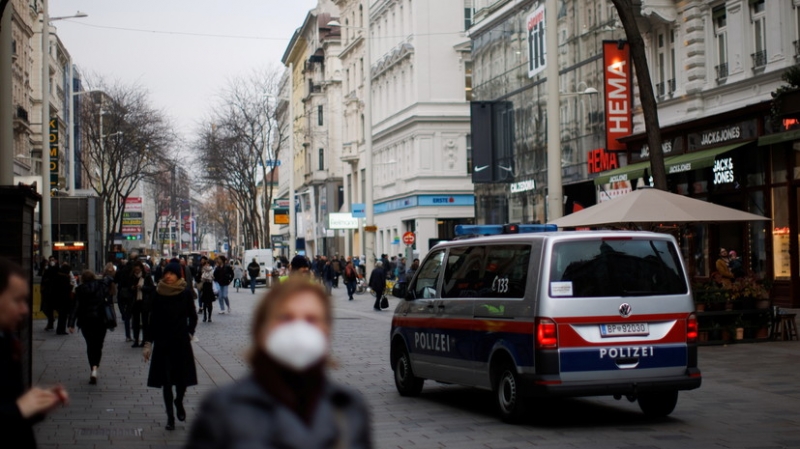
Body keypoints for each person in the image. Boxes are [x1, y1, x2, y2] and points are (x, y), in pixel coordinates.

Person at [184, 277, 372, 448]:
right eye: (285, 318)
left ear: (327, 330)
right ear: (262, 329)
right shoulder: (223, 408)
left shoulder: (347, 407)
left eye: (312, 319)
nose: (299, 329)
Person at [0, 257, 69, 448]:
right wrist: (20, 408)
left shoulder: (7, 341)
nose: (24, 310)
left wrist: (37, 405)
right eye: (17, 300)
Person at [142, 261, 198, 431]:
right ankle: (170, 418)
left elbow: (193, 317)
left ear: (178, 276)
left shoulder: (185, 293)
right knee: (166, 382)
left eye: (172, 274)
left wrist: (189, 332)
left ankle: (178, 401)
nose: (168, 276)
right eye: (166, 273)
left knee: (181, 381)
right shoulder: (157, 293)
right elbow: (152, 320)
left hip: (181, 342)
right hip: (163, 343)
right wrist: (148, 343)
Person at [68, 270, 110, 384]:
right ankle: (96, 367)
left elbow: (75, 308)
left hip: (86, 321)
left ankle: (93, 367)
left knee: (90, 345)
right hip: (101, 320)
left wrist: (71, 324)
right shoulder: (101, 287)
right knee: (98, 344)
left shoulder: (79, 290)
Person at [129, 262, 155, 347]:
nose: (137, 271)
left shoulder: (146, 277)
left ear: (141, 269)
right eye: (135, 270)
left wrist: (143, 287)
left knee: (145, 322)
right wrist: (132, 288)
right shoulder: (132, 277)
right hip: (135, 302)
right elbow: (128, 287)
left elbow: (152, 288)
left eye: (138, 269)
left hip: (145, 302)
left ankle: (144, 340)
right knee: (135, 323)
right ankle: (136, 340)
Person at [115, 256, 136, 342]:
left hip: (122, 293)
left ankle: (128, 335)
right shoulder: (133, 273)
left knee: (126, 315)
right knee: (134, 314)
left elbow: (115, 280)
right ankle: (135, 335)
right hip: (131, 294)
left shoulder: (120, 271)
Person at [53, 263, 75, 335]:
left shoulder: (57, 276)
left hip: (58, 298)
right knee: (63, 315)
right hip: (64, 299)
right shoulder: (65, 278)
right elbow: (66, 288)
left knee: (61, 315)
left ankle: (60, 329)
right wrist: (71, 286)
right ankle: (61, 330)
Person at [40, 256, 59, 331]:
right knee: (46, 308)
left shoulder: (56, 269)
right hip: (47, 292)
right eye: (50, 260)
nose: (52, 261)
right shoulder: (47, 270)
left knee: (51, 308)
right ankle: (51, 321)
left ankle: (51, 323)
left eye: (53, 260)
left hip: (53, 292)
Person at [199, 258, 215, 323]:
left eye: (208, 264)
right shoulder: (203, 270)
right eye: (206, 264)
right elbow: (201, 278)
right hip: (204, 287)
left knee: (210, 303)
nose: (207, 265)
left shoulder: (212, 270)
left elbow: (213, 277)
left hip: (209, 286)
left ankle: (209, 317)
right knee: (205, 303)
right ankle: (205, 316)